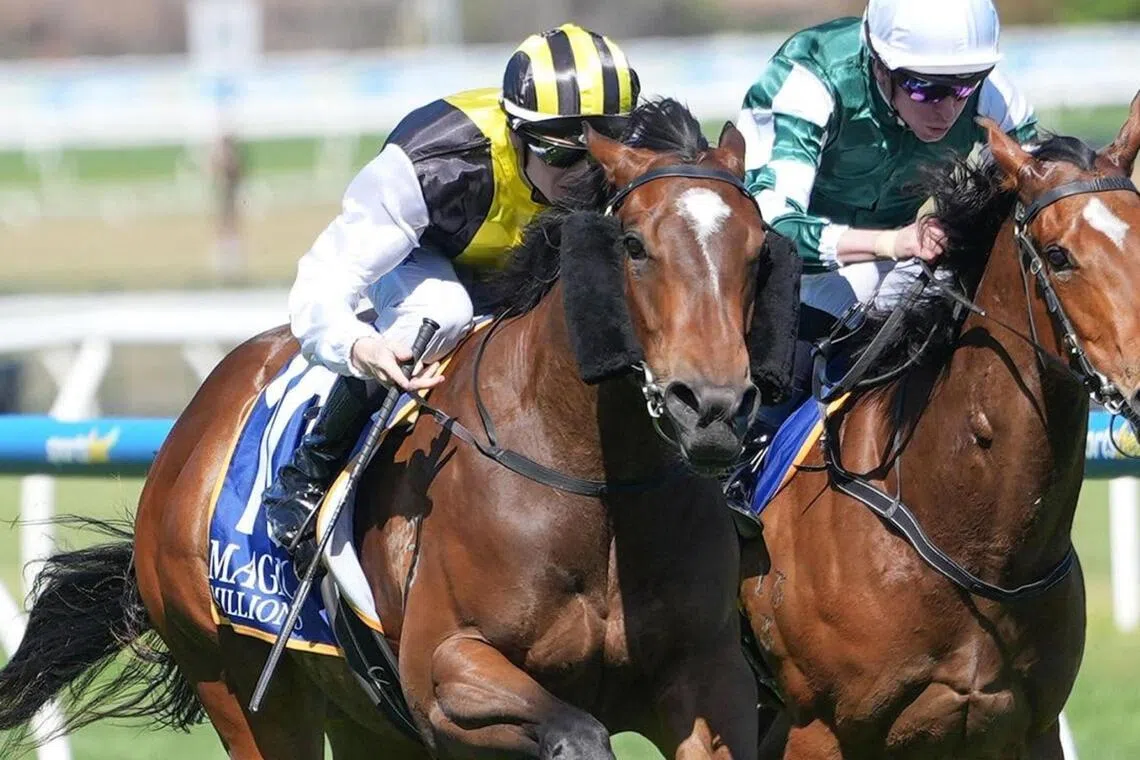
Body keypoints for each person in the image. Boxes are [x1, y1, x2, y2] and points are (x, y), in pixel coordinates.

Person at [262, 23, 640, 565]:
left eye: (600, 152)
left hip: (532, 266)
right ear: (516, 134)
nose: (586, 175)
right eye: (562, 157)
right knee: (443, 311)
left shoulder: (630, 160)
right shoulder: (433, 162)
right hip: (431, 259)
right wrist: (359, 347)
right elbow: (324, 279)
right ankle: (310, 472)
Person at [736, 0, 1037, 437]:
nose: (948, 109)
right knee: (776, 389)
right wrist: (891, 243)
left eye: (965, 87)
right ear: (880, 67)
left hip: (895, 263)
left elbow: (1044, 196)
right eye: (925, 89)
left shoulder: (992, 95)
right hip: (789, 275)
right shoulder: (810, 76)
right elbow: (771, 231)